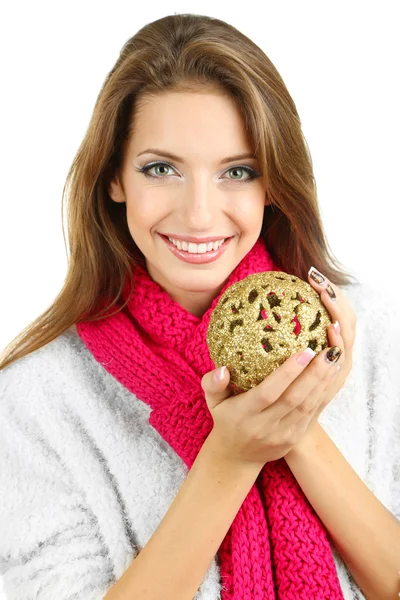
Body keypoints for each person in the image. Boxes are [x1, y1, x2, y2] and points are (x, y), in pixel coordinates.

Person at [0, 12, 399, 600]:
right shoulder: (40, 399)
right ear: (114, 177)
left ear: (274, 184)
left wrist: (298, 422)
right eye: (161, 169)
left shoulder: (370, 336)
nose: (199, 215)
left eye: (238, 172)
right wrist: (229, 460)